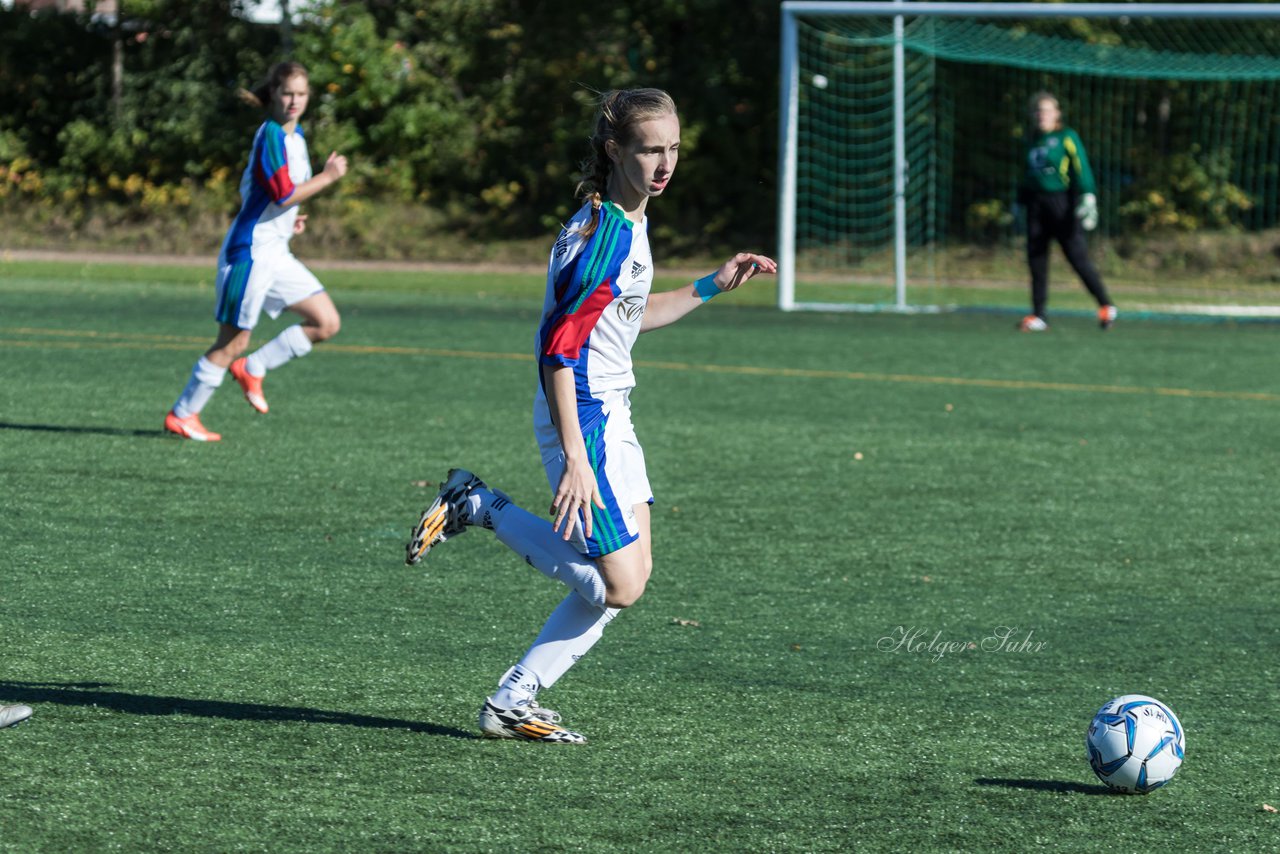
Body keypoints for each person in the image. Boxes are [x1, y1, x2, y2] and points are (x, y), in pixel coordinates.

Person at [405, 88, 776, 744]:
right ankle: (479, 504)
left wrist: (713, 284)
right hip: (585, 415)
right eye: (650, 150)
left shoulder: (624, 218)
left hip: (612, 408)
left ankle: (511, 701)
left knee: (630, 575)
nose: (665, 163)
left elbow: (628, 317)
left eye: (674, 149)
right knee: (619, 587)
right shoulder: (603, 235)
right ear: (613, 150)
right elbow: (557, 350)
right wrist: (576, 456)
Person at [164, 61, 348, 441]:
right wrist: (327, 178)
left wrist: (291, 220)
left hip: (276, 250)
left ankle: (254, 367)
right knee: (232, 341)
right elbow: (281, 193)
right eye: (287, 93)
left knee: (326, 321)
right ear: (273, 95)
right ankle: (184, 414)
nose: (294, 100)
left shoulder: (296, 139)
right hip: (250, 253)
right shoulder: (271, 136)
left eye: (301, 94)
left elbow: (273, 198)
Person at [1018, 91, 1116, 332]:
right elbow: (1025, 174)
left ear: (1057, 114)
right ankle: (1039, 314)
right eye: (1038, 110)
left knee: (1077, 257)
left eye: (1047, 110)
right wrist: (1018, 201)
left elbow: (1081, 167)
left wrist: (1088, 195)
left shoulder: (1066, 137)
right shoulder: (1031, 139)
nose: (1042, 115)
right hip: (1036, 205)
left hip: (1062, 204)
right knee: (1036, 259)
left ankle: (1106, 305)